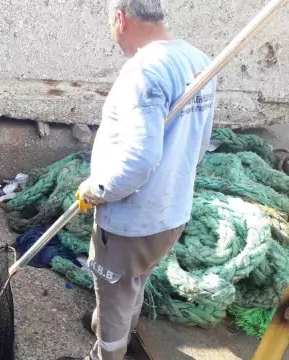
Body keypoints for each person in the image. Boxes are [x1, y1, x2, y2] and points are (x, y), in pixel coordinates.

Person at [61, 0, 217, 359]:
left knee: (114, 295)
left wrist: (95, 190)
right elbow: (202, 140)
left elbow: (138, 161)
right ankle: (117, 331)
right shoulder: (197, 58)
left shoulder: (143, 72)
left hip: (132, 222)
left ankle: (108, 351)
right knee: (135, 279)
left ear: (120, 18)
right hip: (171, 212)